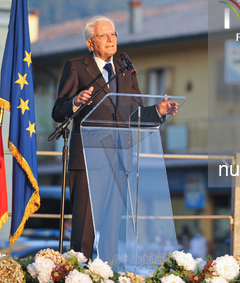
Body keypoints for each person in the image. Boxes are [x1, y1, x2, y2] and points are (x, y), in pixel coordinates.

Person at [52, 16, 178, 260]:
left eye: (113, 34)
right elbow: (58, 111)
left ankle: (108, 273)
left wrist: (158, 112)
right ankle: (79, 273)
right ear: (91, 43)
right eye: (103, 35)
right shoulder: (76, 67)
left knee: (112, 230)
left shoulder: (125, 70)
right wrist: (75, 103)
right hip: (88, 158)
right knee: (84, 228)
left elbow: (135, 114)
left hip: (119, 157)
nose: (111, 39)